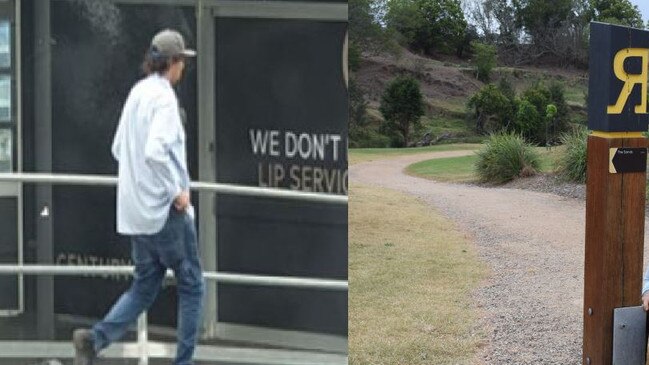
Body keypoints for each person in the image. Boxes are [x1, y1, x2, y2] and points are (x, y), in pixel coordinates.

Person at [72, 29, 204, 365]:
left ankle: (95, 339)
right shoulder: (164, 99)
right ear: (173, 63)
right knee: (192, 286)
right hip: (166, 213)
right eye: (182, 62)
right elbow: (155, 152)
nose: (183, 69)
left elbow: (119, 148)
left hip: (136, 216)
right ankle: (184, 361)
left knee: (144, 286)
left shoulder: (137, 93)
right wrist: (177, 192)